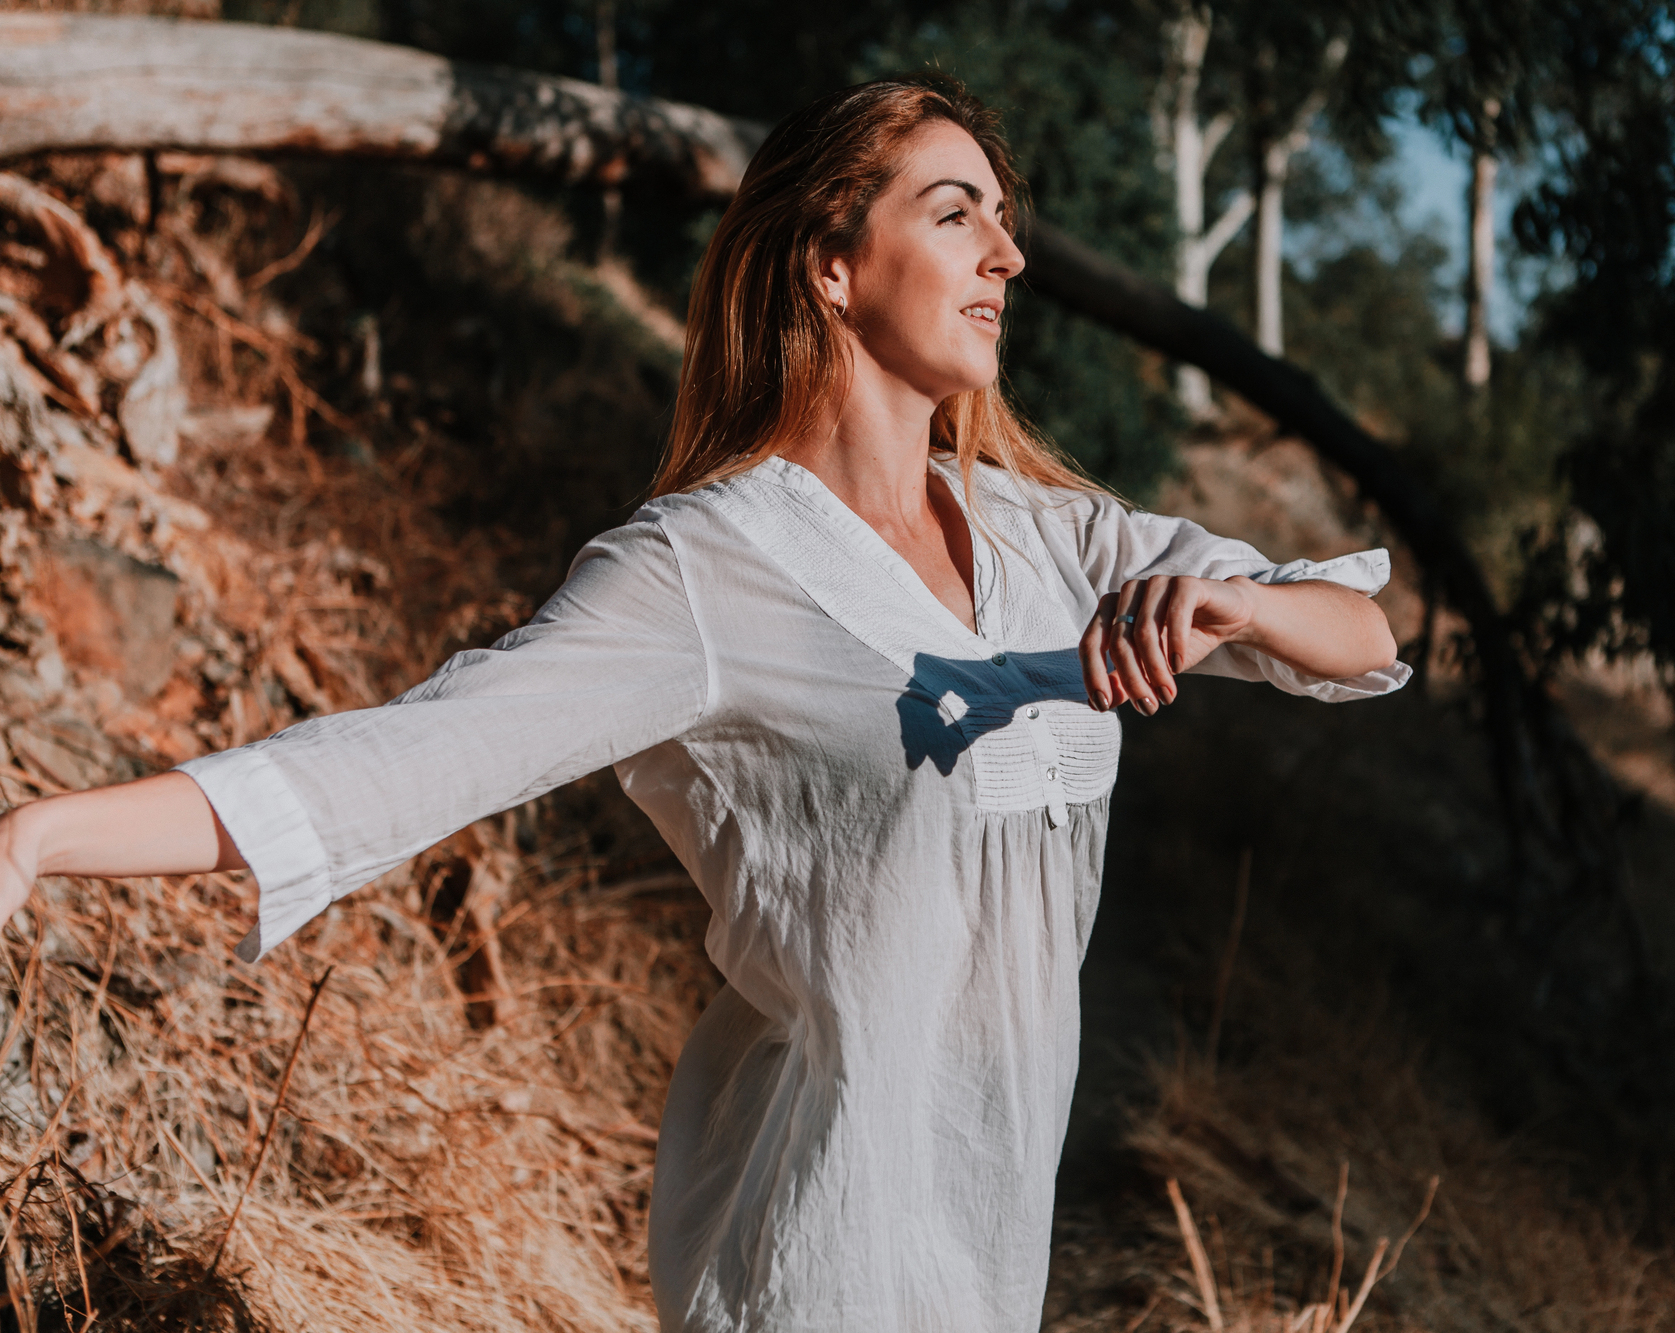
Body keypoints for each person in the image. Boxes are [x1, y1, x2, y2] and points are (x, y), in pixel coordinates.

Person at [0, 77, 1406, 1333]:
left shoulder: (1055, 544)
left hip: (988, 1259)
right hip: (807, 1264)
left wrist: (1243, 604)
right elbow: (410, 757)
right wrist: (42, 836)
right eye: (957, 211)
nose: (1010, 252)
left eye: (1004, 218)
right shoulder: (705, 571)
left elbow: (1358, 630)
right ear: (834, 267)